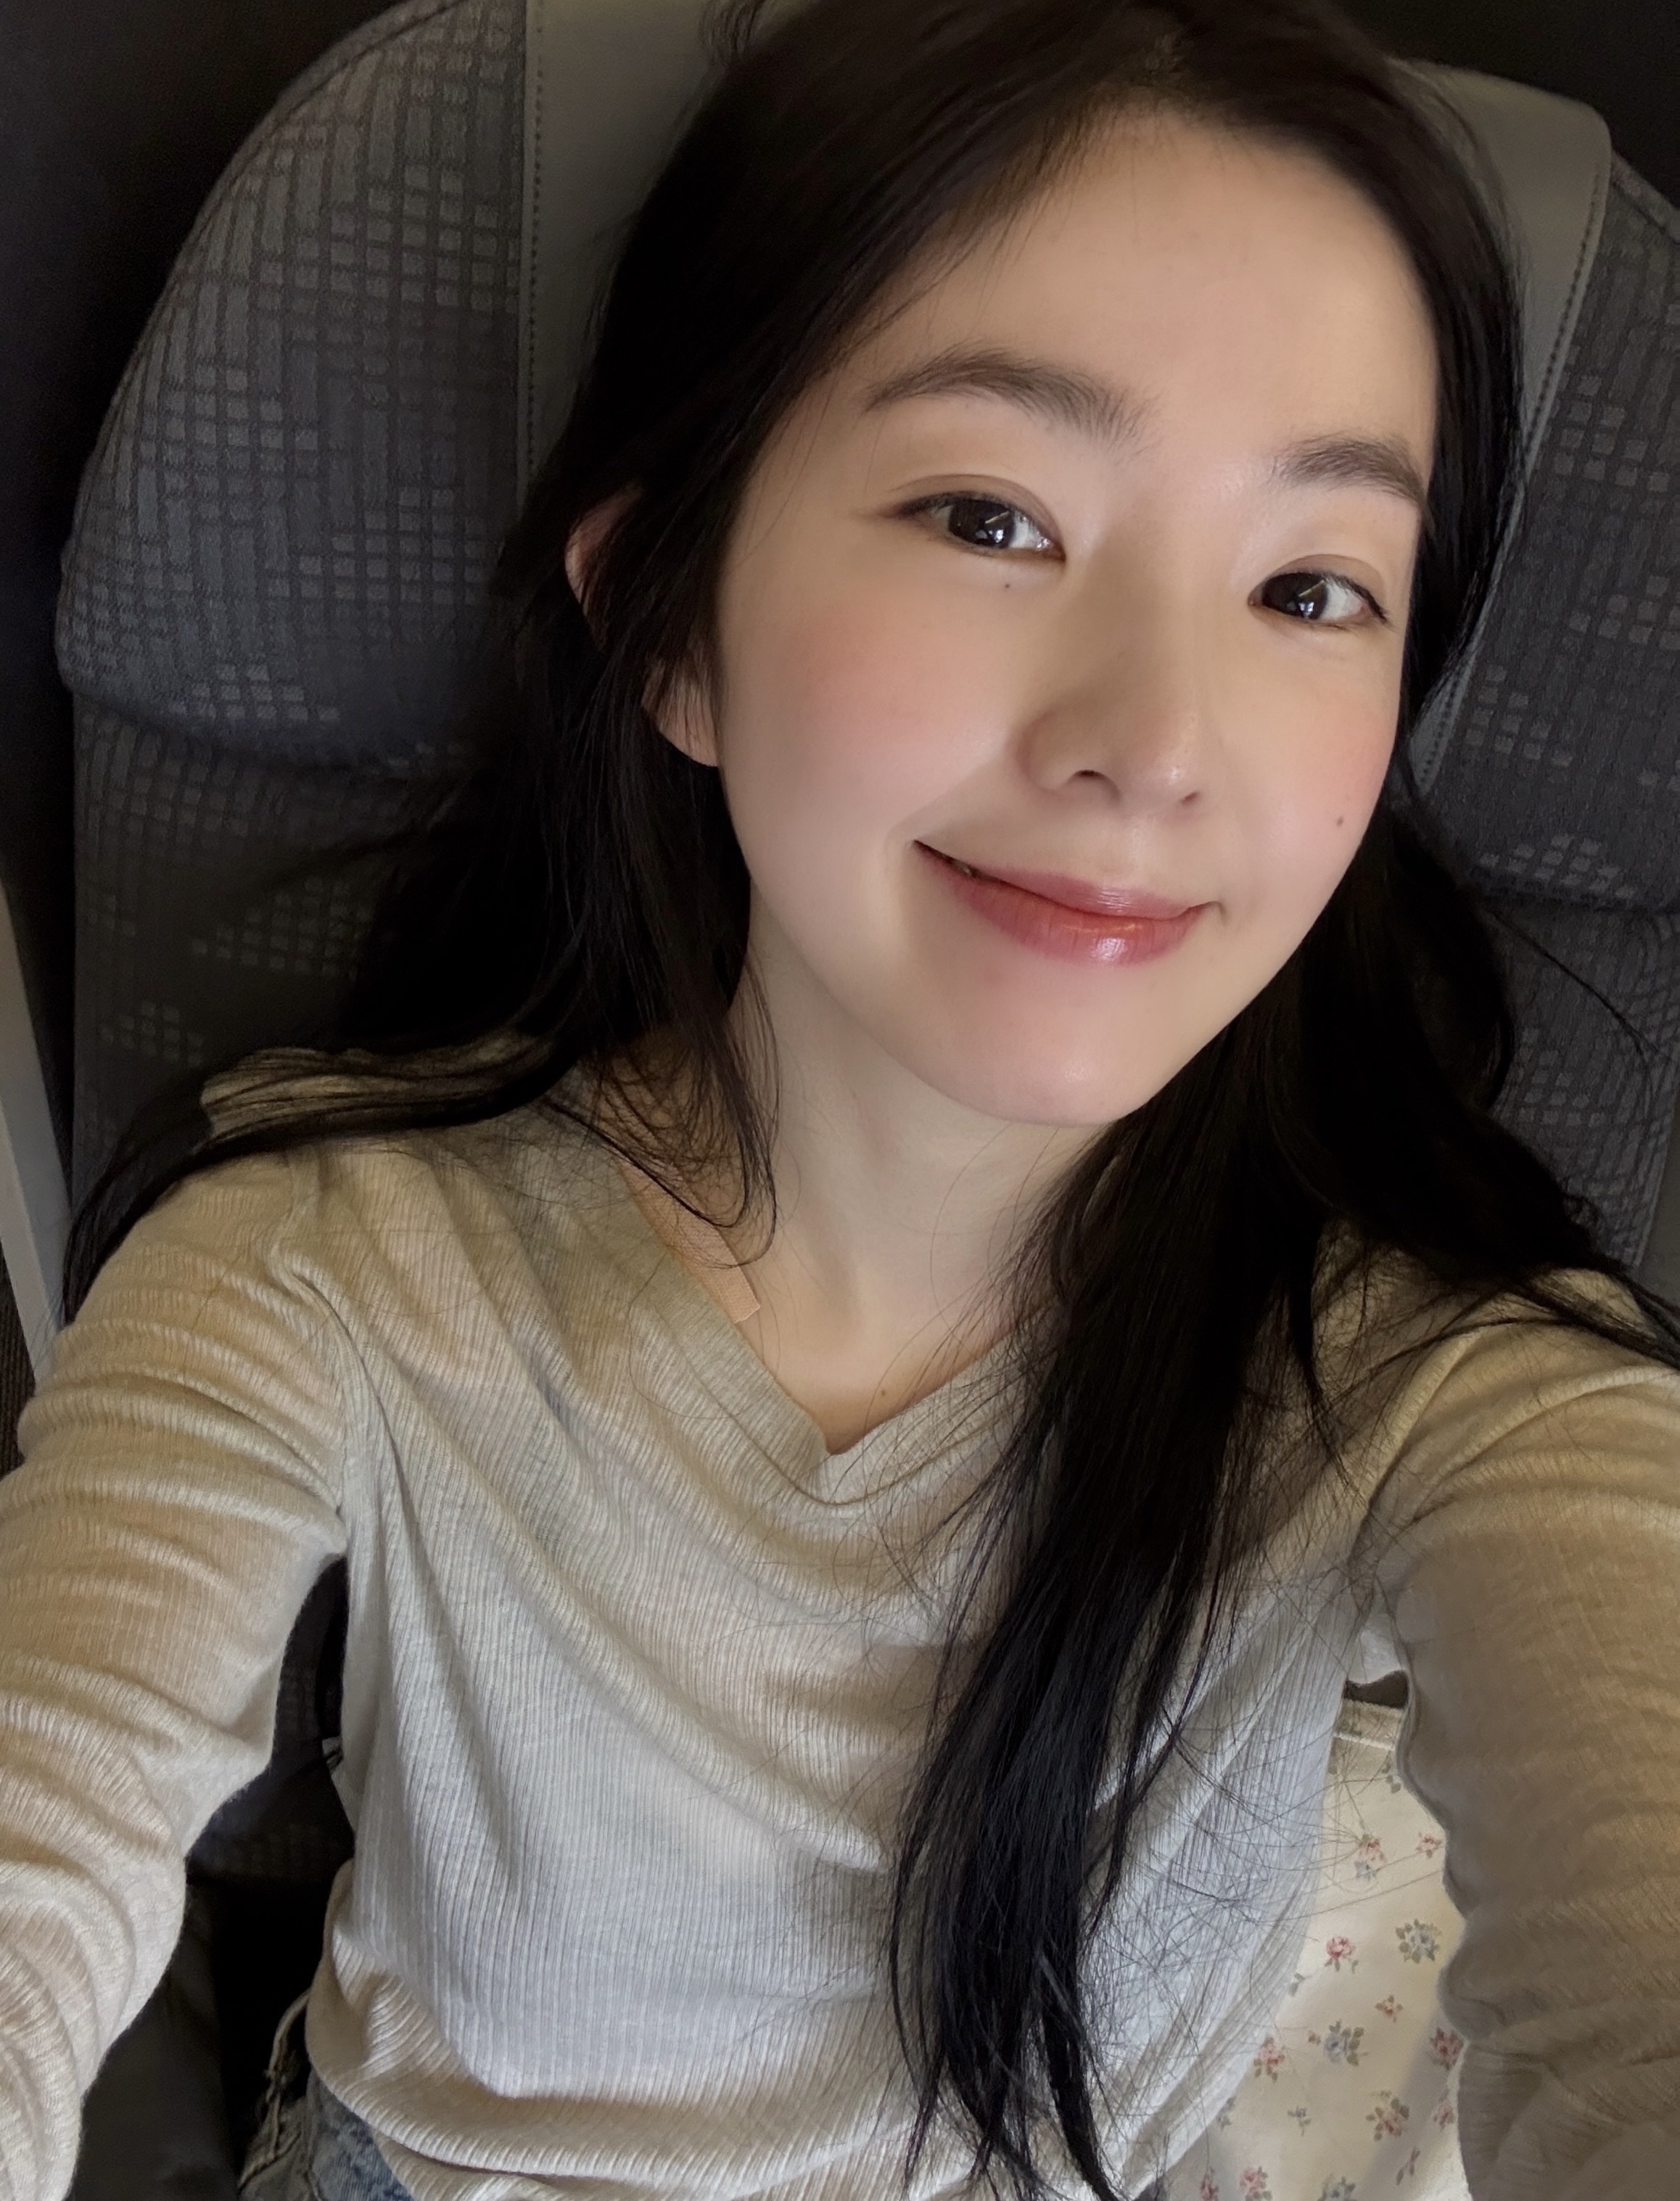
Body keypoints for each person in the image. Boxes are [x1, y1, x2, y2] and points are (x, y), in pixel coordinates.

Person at [3, 0, 1678, 2195]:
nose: (1157, 743)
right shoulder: (321, 1262)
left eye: (1310, 585)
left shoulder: (1445, 1390)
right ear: (668, 624)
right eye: (991, 517)